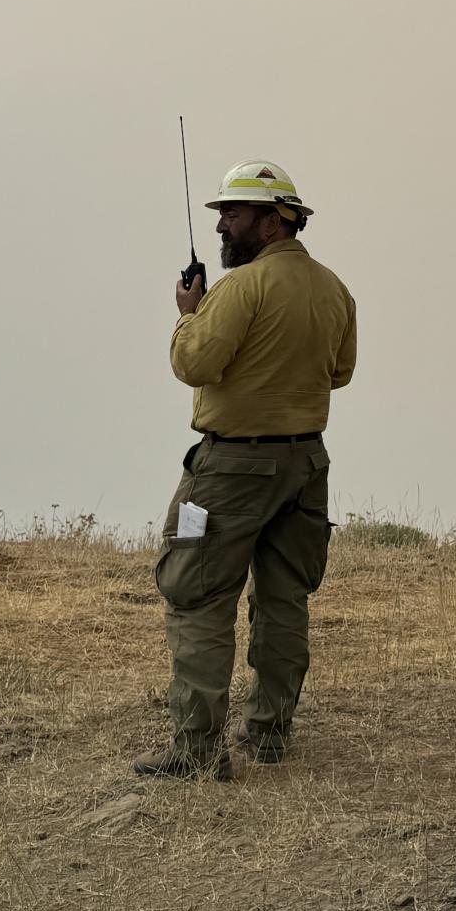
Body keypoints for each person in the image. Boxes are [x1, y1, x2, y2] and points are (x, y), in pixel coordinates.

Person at [139, 159, 357, 779]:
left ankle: (197, 751)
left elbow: (195, 364)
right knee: (285, 599)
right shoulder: (334, 288)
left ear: (272, 222)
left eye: (233, 214)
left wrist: (189, 313)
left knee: (195, 594)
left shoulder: (239, 289)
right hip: (305, 464)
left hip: (228, 469)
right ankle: (270, 735)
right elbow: (340, 372)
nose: (222, 228)